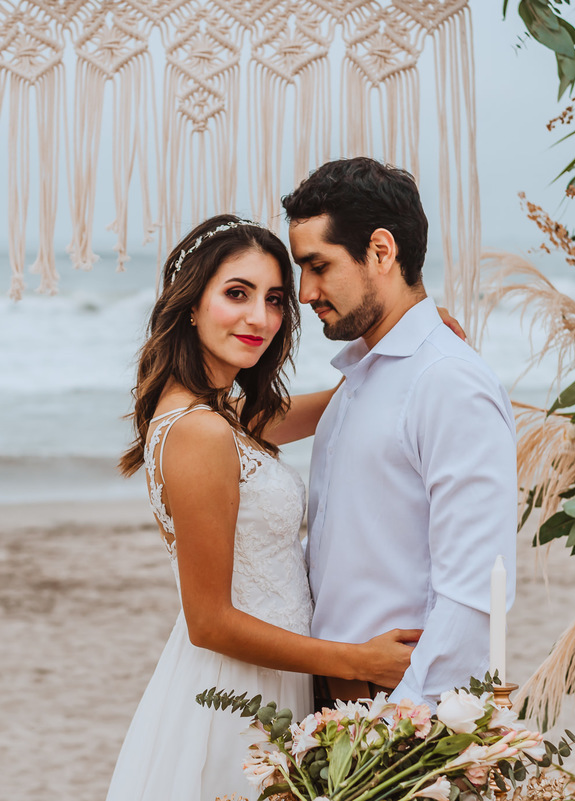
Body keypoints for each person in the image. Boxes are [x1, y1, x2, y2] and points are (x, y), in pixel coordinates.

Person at [105, 213, 420, 801]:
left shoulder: (218, 416)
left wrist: (412, 348)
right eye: (237, 294)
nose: (260, 318)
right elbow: (209, 622)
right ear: (190, 304)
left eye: (275, 300)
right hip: (235, 699)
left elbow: (336, 404)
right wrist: (357, 662)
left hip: (269, 684)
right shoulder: (200, 432)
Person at [282, 157, 518, 709]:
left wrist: (401, 721)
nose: (304, 291)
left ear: (381, 252)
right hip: (327, 702)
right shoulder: (359, 380)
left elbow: (472, 593)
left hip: (395, 711)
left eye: (317, 265)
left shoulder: (449, 383)